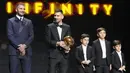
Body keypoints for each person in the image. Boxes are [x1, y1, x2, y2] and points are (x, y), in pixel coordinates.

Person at [7, 2, 34, 73]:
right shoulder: (10, 21)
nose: (22, 10)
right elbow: (10, 35)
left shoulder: (29, 22)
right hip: (14, 51)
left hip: (27, 51)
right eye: (20, 8)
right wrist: (19, 47)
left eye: (24, 9)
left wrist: (24, 46)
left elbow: (31, 36)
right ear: (16, 10)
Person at [45, 9, 71, 73]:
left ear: (62, 17)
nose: (56, 17)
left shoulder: (67, 27)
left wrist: (67, 47)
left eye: (58, 16)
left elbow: (69, 39)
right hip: (53, 55)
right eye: (55, 15)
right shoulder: (49, 26)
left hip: (63, 55)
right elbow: (47, 40)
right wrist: (58, 43)